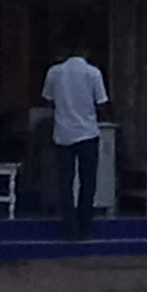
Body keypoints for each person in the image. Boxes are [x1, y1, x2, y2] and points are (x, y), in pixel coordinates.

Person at [42, 42, 109, 241]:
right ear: (86, 51)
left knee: (65, 181)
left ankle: (69, 226)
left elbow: (47, 99)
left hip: (63, 133)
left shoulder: (54, 72)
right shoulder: (93, 73)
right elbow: (102, 102)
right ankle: (85, 225)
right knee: (88, 181)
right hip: (88, 133)